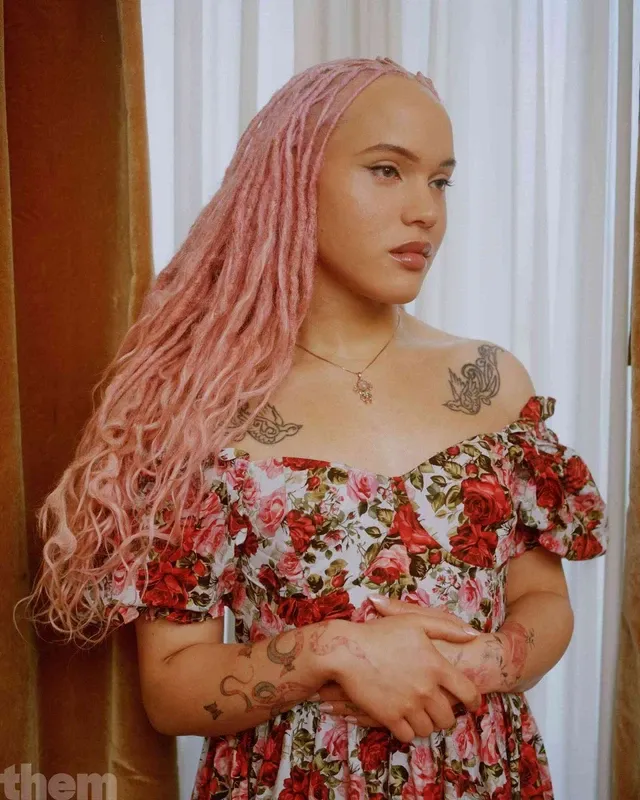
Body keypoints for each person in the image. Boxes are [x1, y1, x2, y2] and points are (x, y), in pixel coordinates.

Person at [25, 56, 608, 800]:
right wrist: (332, 651)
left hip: (486, 775)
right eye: (387, 170)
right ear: (293, 180)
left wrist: (478, 663)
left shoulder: (491, 381)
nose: (426, 212)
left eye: (440, 181)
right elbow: (170, 689)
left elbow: (545, 603)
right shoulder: (202, 407)